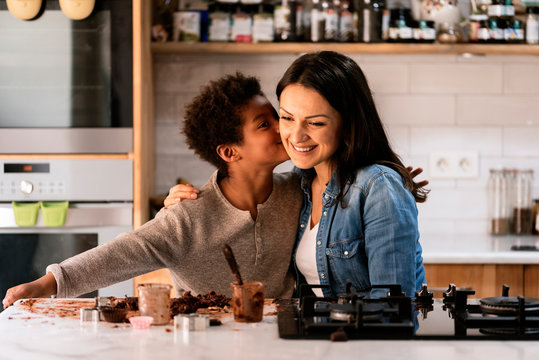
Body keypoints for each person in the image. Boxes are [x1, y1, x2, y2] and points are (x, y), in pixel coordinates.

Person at [2, 73, 303, 309]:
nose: (282, 127)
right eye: (265, 124)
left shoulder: (298, 190)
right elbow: (123, 252)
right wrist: (46, 284)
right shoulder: (188, 217)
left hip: (284, 342)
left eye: (277, 117)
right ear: (229, 152)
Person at [166, 52, 428, 300]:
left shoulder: (377, 186)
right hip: (313, 343)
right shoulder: (299, 184)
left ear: (348, 124)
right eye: (287, 118)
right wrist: (188, 204)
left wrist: (388, 183)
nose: (296, 135)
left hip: (360, 346)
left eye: (315, 123)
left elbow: (393, 308)